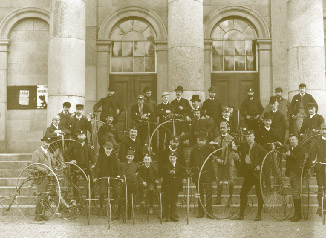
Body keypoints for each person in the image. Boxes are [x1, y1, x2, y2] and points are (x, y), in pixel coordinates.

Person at [232, 130, 266, 221]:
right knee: (243, 193)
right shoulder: (245, 146)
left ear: (254, 137)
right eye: (247, 136)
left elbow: (266, 159)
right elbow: (238, 149)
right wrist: (234, 148)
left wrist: (260, 165)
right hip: (248, 174)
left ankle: (259, 214)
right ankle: (241, 215)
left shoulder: (259, 147)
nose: (249, 138)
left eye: (250, 136)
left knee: (259, 195)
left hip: (257, 175)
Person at [210, 121, 239, 206]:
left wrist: (227, 160)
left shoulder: (231, 139)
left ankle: (230, 198)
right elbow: (214, 152)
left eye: (224, 128)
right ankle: (218, 198)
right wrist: (216, 159)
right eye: (221, 128)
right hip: (219, 163)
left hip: (229, 163)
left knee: (231, 180)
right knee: (219, 180)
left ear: (227, 129)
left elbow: (235, 152)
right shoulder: (217, 139)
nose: (222, 129)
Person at [190, 133, 215, 218]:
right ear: (196, 140)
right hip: (198, 175)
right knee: (199, 193)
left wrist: (215, 145)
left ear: (206, 141)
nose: (201, 142)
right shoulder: (194, 150)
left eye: (203, 140)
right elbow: (191, 162)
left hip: (208, 174)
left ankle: (209, 212)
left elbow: (218, 153)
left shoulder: (210, 148)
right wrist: (192, 172)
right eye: (199, 140)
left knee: (208, 194)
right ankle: (201, 212)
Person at [95, 140, 120, 217]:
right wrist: (96, 176)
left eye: (110, 149)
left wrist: (118, 175)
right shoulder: (101, 156)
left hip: (112, 177)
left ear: (112, 149)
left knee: (117, 191)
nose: (108, 150)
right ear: (104, 148)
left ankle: (111, 204)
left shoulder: (114, 157)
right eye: (107, 148)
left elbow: (117, 167)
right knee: (102, 191)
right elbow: (97, 167)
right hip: (103, 177)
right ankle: (101, 207)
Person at [32, 136, 54, 221]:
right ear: (43, 142)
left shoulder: (48, 153)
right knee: (40, 196)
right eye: (46, 142)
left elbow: (50, 165)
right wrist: (43, 169)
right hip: (40, 177)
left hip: (48, 177)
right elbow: (34, 165)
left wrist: (51, 172)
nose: (47, 144)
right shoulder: (36, 152)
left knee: (46, 196)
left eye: (48, 143)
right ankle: (37, 215)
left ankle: (43, 214)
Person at [285, 134, 305, 222]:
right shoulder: (290, 149)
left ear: (297, 140)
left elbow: (298, 160)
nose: (291, 141)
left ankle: (296, 215)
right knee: (294, 192)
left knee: (296, 192)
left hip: (297, 173)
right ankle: (298, 213)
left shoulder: (300, 149)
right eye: (290, 140)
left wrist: (290, 154)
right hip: (292, 173)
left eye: (293, 139)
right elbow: (289, 162)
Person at [160, 151, 186, 222]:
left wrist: (183, 178)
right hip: (168, 186)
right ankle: (167, 215)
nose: (172, 159)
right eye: (170, 157)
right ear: (168, 158)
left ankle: (172, 215)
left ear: (176, 158)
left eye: (173, 158)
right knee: (167, 200)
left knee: (174, 200)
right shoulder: (165, 165)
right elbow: (163, 174)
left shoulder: (179, 166)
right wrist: (169, 172)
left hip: (176, 186)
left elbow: (182, 174)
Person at [309, 123, 326, 215]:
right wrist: (313, 162)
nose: (324, 131)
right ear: (320, 130)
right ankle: (320, 205)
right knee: (320, 186)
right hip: (320, 166)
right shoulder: (317, 141)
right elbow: (312, 154)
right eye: (323, 129)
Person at [119, 149, 141, 220]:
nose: (130, 158)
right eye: (129, 156)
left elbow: (139, 173)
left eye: (131, 157)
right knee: (123, 198)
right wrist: (121, 178)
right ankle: (120, 213)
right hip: (125, 183)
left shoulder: (136, 165)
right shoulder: (122, 164)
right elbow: (120, 172)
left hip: (132, 183)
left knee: (130, 198)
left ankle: (129, 214)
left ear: (133, 157)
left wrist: (137, 175)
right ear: (126, 156)